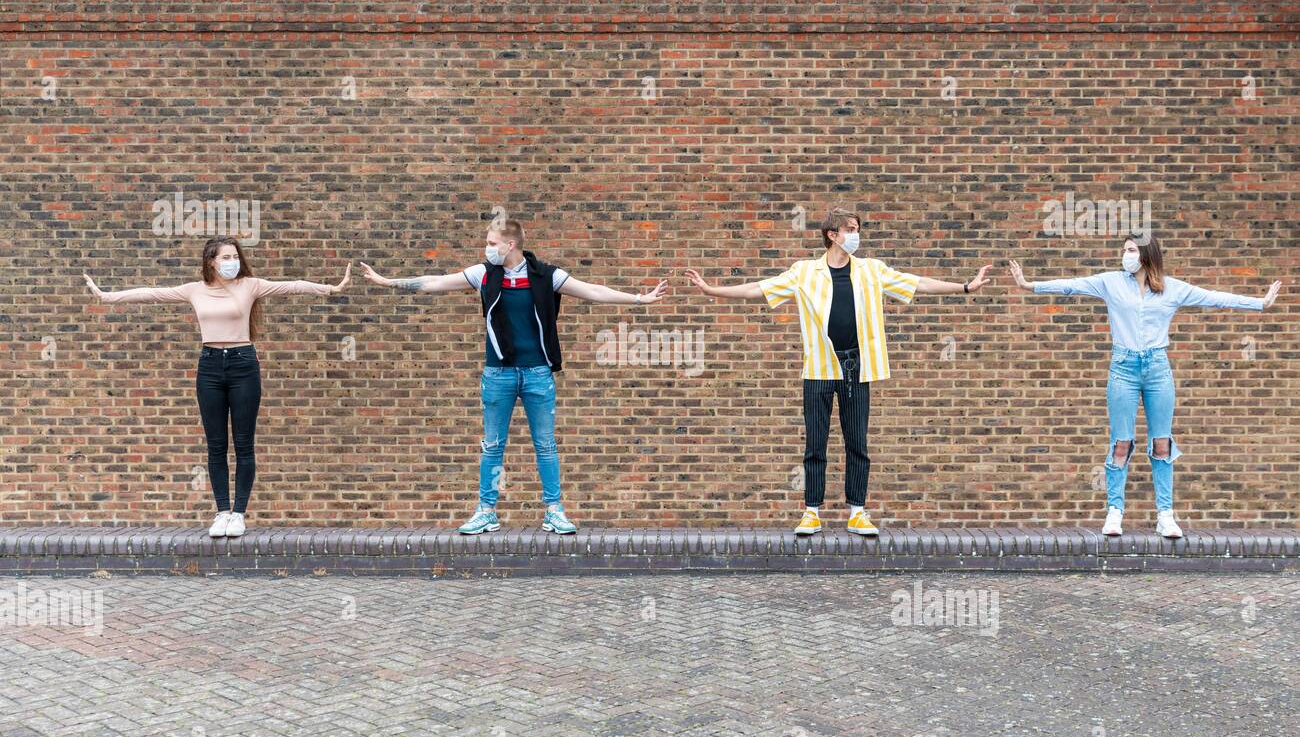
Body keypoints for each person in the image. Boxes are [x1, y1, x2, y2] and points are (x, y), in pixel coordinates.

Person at [685, 207, 991, 536]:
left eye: (857, 229)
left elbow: (918, 284)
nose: (856, 235)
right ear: (833, 235)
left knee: (857, 441)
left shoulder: (872, 270)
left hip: (856, 367)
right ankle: (811, 513)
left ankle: (857, 513)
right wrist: (712, 291)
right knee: (816, 444)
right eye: (850, 229)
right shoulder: (804, 272)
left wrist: (965, 287)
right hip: (819, 367)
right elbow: (758, 289)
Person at [359, 218, 668, 534]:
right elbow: (436, 281)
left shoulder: (545, 276)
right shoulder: (484, 275)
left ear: (511, 245)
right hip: (498, 374)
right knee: (492, 445)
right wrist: (388, 282)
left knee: (545, 444)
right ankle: (486, 511)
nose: (487, 248)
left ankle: (554, 511)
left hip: (538, 373)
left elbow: (592, 291)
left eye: (492, 243)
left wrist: (640, 299)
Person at [1010, 237, 1282, 538]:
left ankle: (1165, 515)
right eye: (1124, 250)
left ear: (1146, 254)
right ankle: (1115, 511)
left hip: (1157, 369)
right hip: (1123, 368)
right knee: (1121, 442)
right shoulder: (1111, 283)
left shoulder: (1172, 288)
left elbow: (1214, 297)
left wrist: (1260, 304)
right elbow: (1072, 284)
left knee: (1162, 442)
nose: (1124, 255)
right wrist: (1029, 285)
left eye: (1130, 250)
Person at [84, 238, 350, 537]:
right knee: (216, 445)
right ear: (211, 260)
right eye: (226, 256)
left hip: (243, 364)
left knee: (244, 444)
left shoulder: (250, 285)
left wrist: (331, 288)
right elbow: (152, 293)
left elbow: (293, 285)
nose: (232, 261)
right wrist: (107, 297)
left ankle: (238, 513)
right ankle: (222, 511)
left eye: (235, 256)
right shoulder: (194, 290)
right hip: (209, 366)